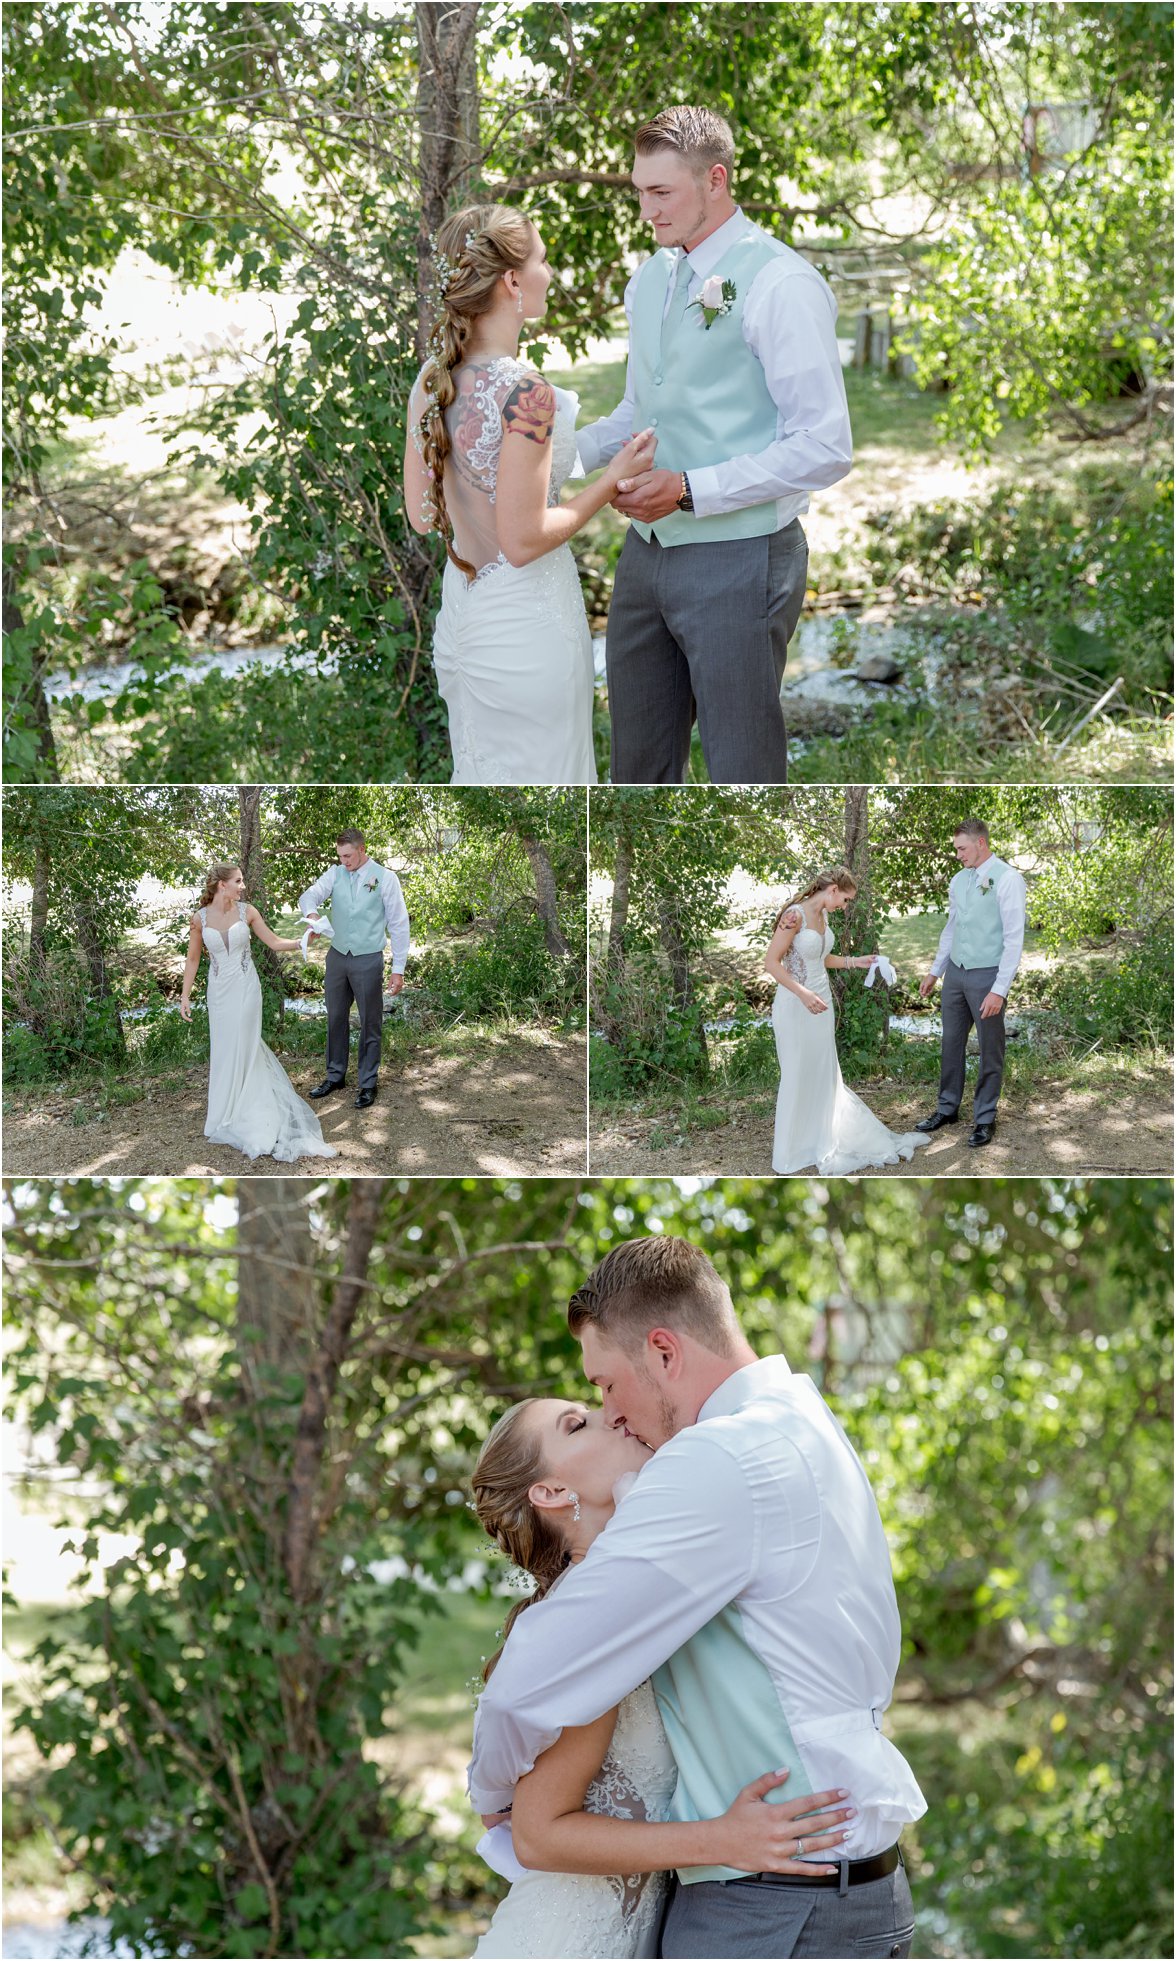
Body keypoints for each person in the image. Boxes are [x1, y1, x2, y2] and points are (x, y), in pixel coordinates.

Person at [469, 1237, 925, 1961]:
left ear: (663, 1352)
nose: (612, 1412)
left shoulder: (718, 1457)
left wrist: (487, 1785)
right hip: (839, 1893)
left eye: (607, 1386)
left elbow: (528, 1686)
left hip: (775, 1906)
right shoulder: (803, 1421)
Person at [468, 1397, 857, 1959]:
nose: (614, 1414)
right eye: (577, 1425)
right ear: (551, 1492)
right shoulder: (596, 1620)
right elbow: (536, 1834)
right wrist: (722, 1840)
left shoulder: (645, 1587)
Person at [576, 106, 853, 785]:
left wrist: (692, 489)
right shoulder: (650, 281)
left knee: (743, 769)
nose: (646, 210)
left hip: (742, 559)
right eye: (640, 191)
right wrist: (532, 460)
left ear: (716, 180)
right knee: (636, 770)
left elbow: (825, 445)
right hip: (644, 559)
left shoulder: (781, 283)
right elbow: (640, 411)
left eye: (661, 192)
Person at [404, 203, 658, 785]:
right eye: (542, 260)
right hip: (528, 629)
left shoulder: (431, 380)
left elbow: (423, 517)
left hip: (466, 618)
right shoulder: (527, 393)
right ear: (512, 281)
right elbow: (523, 541)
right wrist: (611, 481)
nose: (550, 273)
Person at [765, 867, 930, 1176]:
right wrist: (803, 994)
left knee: (822, 1071)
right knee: (798, 1070)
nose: (845, 906)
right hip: (795, 1004)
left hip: (821, 1003)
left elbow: (821, 958)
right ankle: (794, 1148)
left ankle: (819, 1139)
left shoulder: (823, 916)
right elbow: (771, 963)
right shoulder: (794, 916)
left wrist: (857, 961)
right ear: (832, 891)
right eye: (845, 899)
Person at [180, 863, 336, 1163]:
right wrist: (185, 996)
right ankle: (225, 1112)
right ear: (221, 884)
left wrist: (303, 941)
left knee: (247, 1043)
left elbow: (275, 942)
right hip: (218, 991)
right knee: (225, 1047)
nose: (243, 885)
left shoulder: (247, 911)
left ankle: (253, 1110)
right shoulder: (199, 919)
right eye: (238, 881)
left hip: (246, 987)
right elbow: (193, 958)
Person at [914, 819, 1028, 1149]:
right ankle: (947, 1108)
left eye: (962, 849)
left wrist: (999, 989)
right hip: (956, 972)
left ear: (981, 843)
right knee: (951, 1042)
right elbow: (951, 929)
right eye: (956, 849)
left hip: (987, 975)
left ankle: (985, 1118)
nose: (958, 855)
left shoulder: (1008, 879)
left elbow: (1014, 939)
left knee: (990, 1048)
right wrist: (935, 971)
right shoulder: (959, 879)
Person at [298, 828, 410, 1111]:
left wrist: (398, 968)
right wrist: (312, 915)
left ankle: (368, 1082)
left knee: (371, 1021)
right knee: (335, 1017)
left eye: (348, 855)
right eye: (340, 856)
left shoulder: (385, 878)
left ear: (362, 850)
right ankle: (335, 1076)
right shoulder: (335, 874)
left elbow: (398, 924)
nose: (344, 861)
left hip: (368, 958)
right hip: (337, 957)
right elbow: (308, 896)